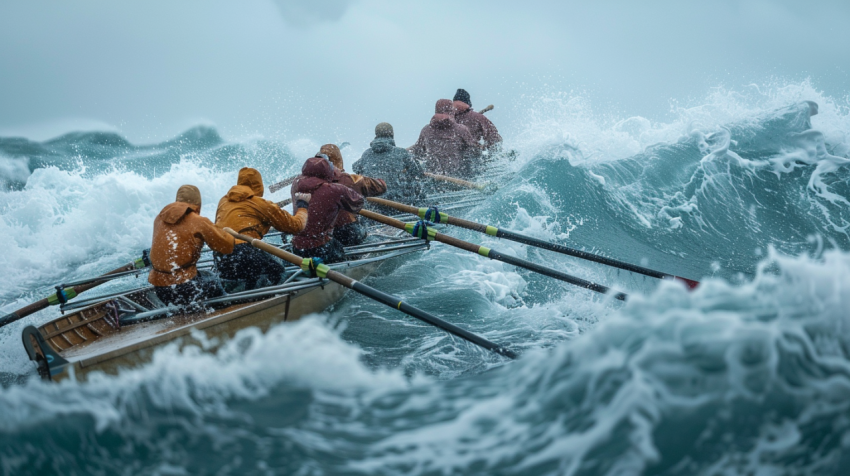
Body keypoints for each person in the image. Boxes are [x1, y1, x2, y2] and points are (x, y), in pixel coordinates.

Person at [214, 167, 310, 290]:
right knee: (278, 272)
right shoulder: (261, 204)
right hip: (243, 251)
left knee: (248, 274)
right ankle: (273, 302)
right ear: (259, 185)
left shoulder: (223, 201)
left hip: (220, 254)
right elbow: (296, 226)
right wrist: (303, 206)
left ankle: (243, 298)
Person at [148, 185, 234, 307]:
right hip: (186, 288)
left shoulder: (159, 218)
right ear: (197, 204)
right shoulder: (198, 221)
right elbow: (227, 247)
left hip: (160, 290)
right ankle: (226, 310)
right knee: (212, 279)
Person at [290, 154, 365, 264]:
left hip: (297, 247)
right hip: (321, 247)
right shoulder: (335, 190)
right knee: (341, 246)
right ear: (329, 171)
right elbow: (358, 203)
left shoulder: (296, 183)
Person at [353, 122, 428, 214]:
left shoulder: (366, 153)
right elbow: (418, 174)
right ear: (392, 135)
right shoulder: (401, 152)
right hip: (396, 202)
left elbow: (355, 168)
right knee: (417, 184)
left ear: (376, 135)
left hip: (372, 204)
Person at [319, 143, 386, 246]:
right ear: (338, 159)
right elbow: (381, 187)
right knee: (364, 223)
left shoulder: (304, 182)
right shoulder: (350, 179)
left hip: (319, 234)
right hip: (346, 233)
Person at [409, 99, 481, 179]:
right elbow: (476, 152)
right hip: (458, 176)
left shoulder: (426, 130)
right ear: (452, 111)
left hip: (433, 178)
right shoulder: (461, 130)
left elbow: (418, 154)